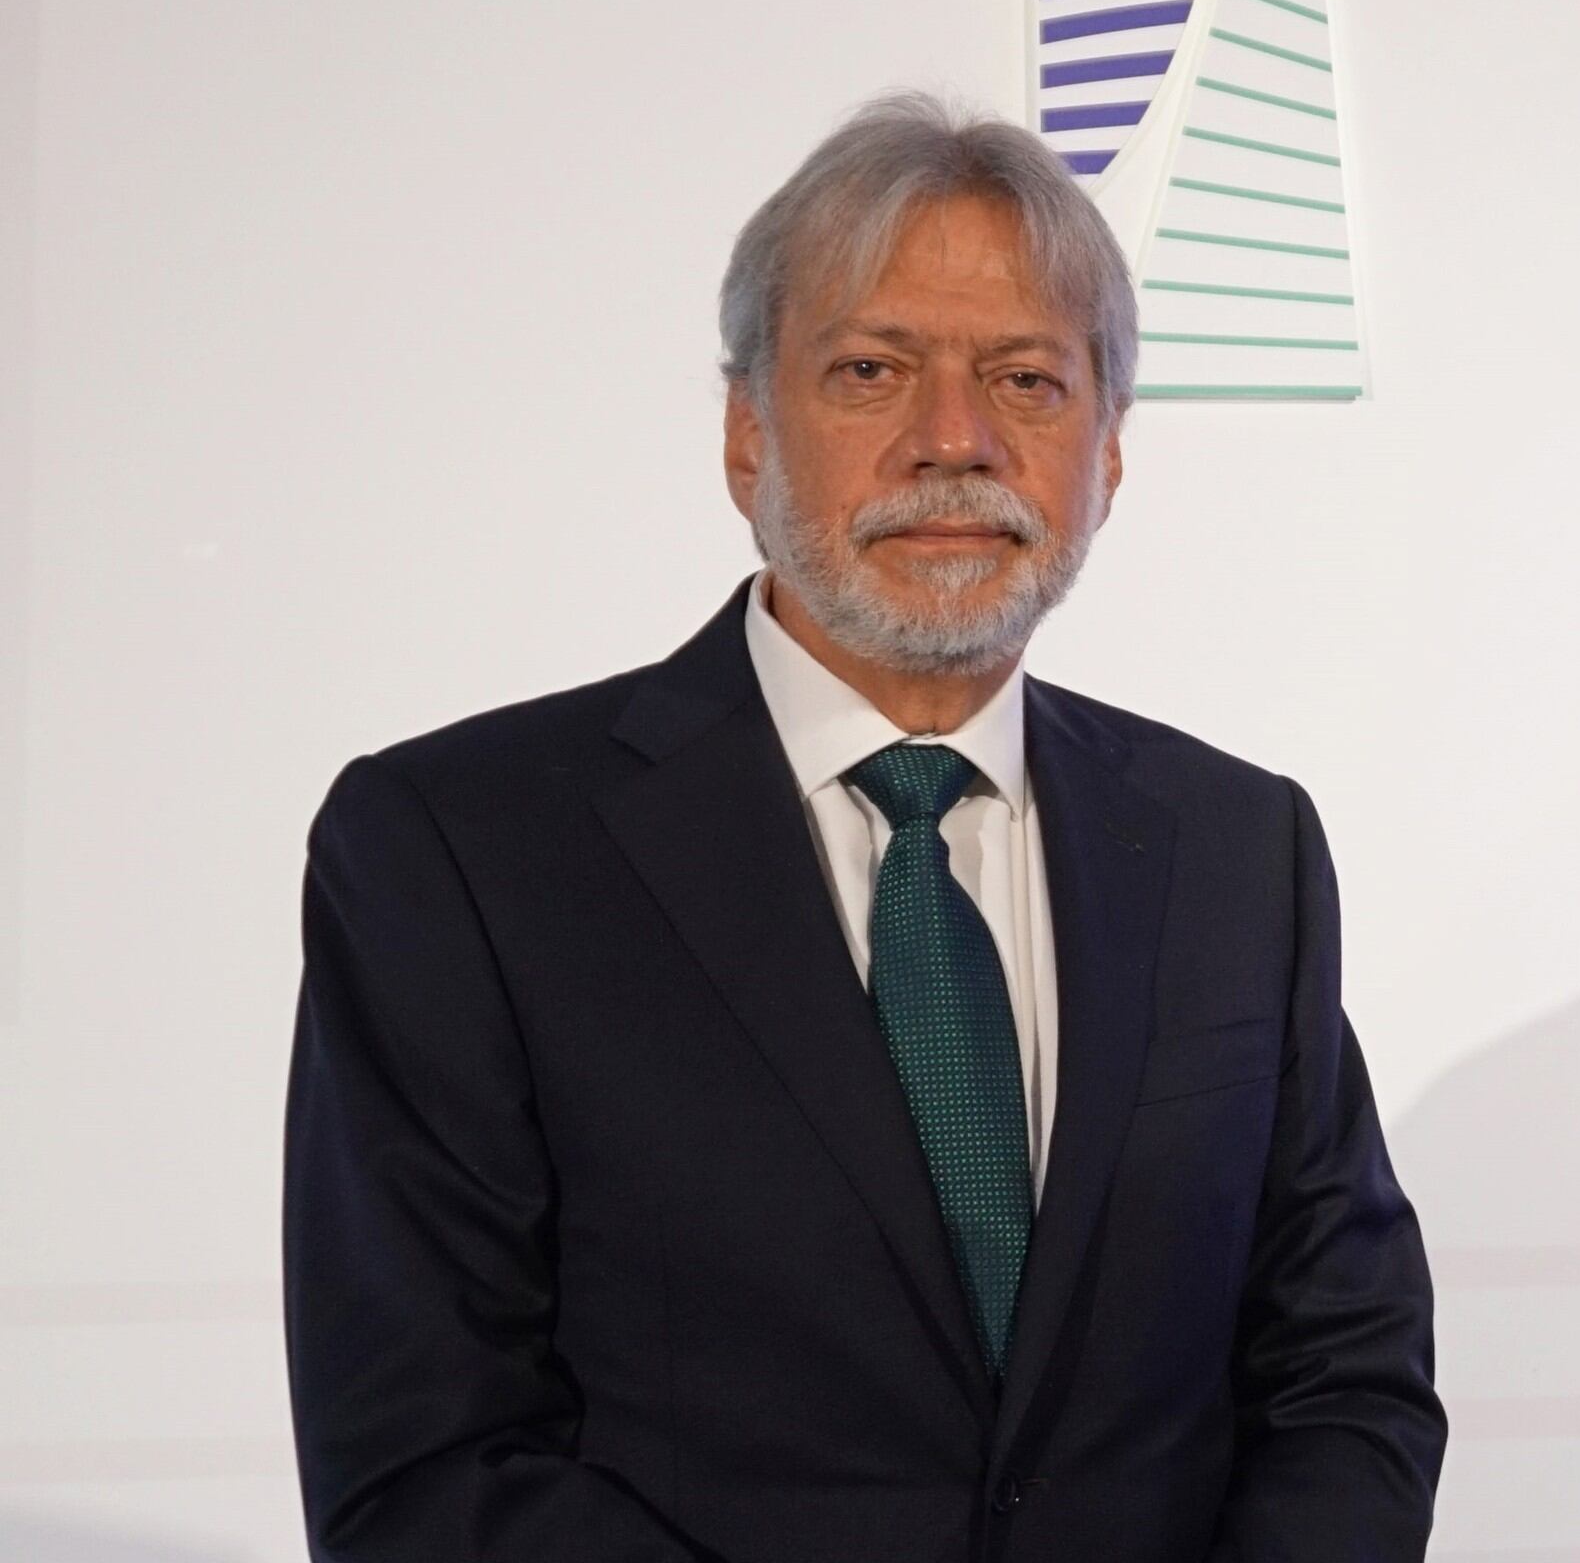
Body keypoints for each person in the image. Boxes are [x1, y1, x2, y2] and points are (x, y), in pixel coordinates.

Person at [282, 94, 1443, 1562]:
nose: (953, 438)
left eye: (1027, 380)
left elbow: (1343, 1377)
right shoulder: (459, 849)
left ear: (1108, 454)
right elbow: (427, 1463)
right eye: (872, 370)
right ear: (746, 436)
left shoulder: (1237, 850)